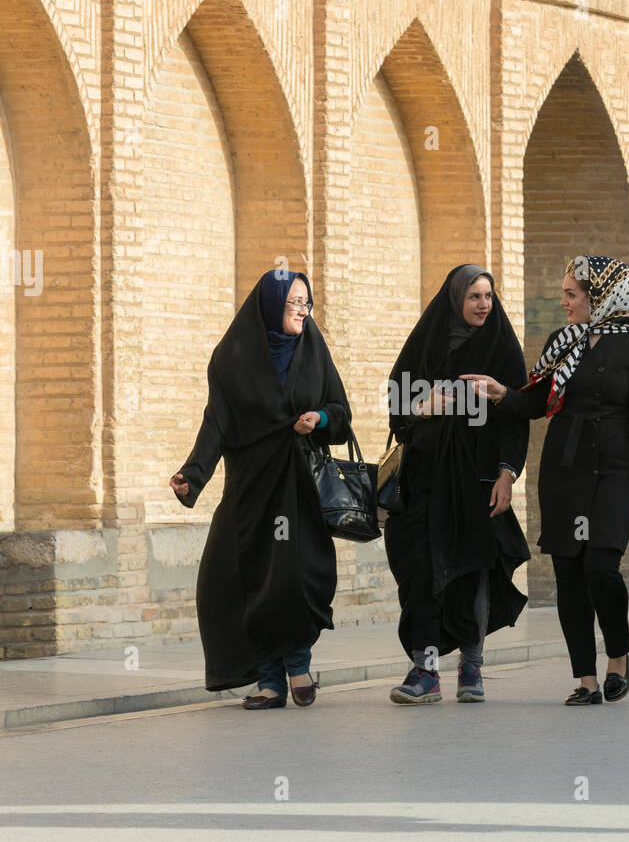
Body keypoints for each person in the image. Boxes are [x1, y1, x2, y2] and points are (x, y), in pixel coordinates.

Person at [462, 254, 629, 707]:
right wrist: (503, 395)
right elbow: (536, 403)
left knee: (601, 569)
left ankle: (618, 657)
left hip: (615, 472)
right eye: (565, 292)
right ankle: (586, 679)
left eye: (572, 293)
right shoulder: (563, 343)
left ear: (600, 297)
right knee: (570, 574)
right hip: (564, 471)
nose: (564, 301)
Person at [169, 269, 352, 709]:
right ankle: (269, 680)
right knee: (244, 579)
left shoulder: (313, 349)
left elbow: (341, 413)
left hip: (299, 486)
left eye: (307, 303)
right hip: (251, 487)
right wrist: (192, 474)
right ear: (271, 304)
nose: (302, 311)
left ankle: (298, 665)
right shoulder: (232, 356)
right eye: (293, 303)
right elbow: (217, 422)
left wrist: (320, 420)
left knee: (296, 577)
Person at [385, 264, 531, 704]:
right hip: (423, 480)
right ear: (456, 299)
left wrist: (507, 474)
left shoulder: (502, 346)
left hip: (478, 480)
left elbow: (518, 416)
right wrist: (421, 406)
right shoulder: (427, 340)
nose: (483, 304)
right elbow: (395, 400)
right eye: (474, 296)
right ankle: (425, 669)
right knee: (420, 571)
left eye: (488, 296)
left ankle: (473, 665)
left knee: (473, 572)